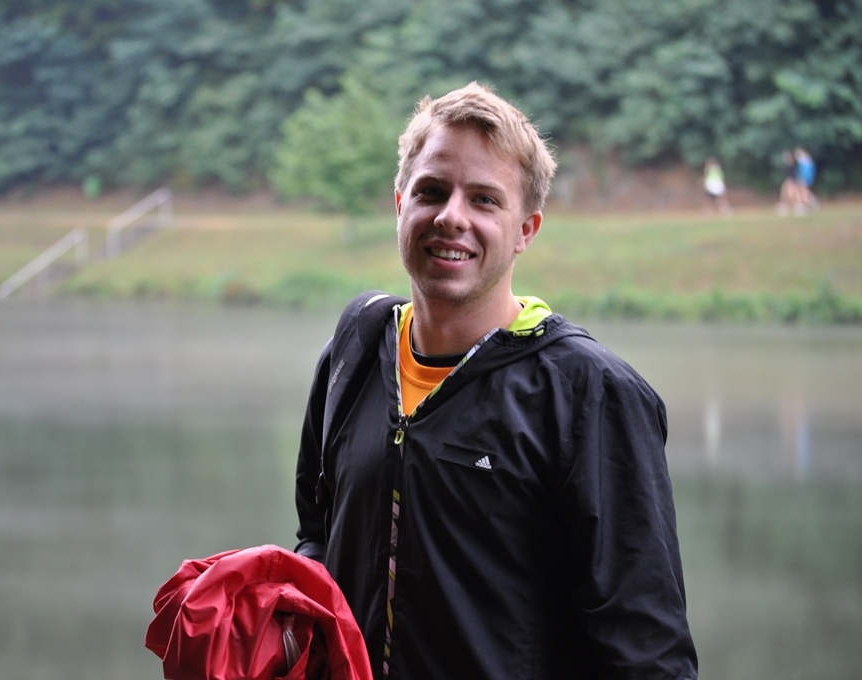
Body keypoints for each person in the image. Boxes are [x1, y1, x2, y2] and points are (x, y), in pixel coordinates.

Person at [294, 82, 697, 679]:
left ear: (526, 229)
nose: (451, 217)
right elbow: (318, 534)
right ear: (400, 203)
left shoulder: (588, 394)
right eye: (432, 191)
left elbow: (648, 653)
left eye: (484, 200)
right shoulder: (355, 349)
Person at [793, 147, 818, 214]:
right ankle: (811, 202)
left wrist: (803, 179)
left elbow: (805, 171)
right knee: (803, 191)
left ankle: (807, 204)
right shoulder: (807, 159)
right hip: (807, 178)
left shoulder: (803, 160)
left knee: (802, 192)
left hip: (804, 179)